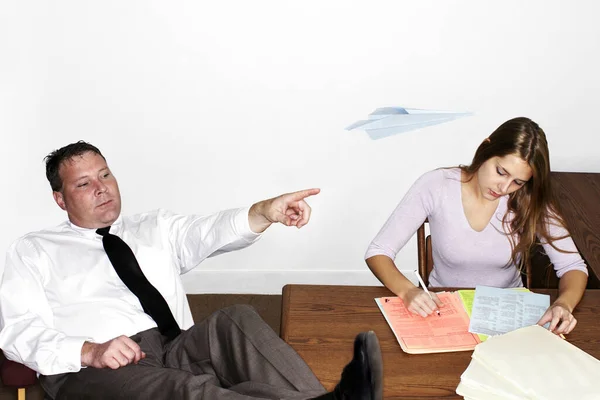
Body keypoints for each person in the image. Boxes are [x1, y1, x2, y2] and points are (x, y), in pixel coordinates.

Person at [0, 141, 383, 400]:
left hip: (173, 345)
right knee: (190, 390)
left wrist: (264, 212)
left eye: (105, 174)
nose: (102, 188)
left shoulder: (152, 227)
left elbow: (207, 232)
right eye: (84, 183)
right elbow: (17, 330)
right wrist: (90, 350)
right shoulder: (34, 250)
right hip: (94, 369)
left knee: (235, 319)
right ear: (60, 199)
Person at [365, 117, 588, 336]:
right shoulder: (437, 185)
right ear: (485, 149)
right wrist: (408, 291)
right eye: (501, 172)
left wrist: (564, 304)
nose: (504, 187)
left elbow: (573, 266)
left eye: (518, 182)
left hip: (508, 316)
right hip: (443, 308)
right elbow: (378, 252)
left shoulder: (529, 199)